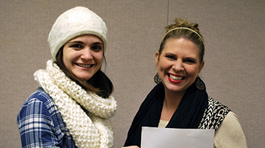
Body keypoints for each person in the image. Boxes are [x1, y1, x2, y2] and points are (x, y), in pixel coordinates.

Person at [122, 18, 247, 148]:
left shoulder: (221, 119)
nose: (177, 67)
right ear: (157, 58)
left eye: (189, 60)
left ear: (200, 67)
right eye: (171, 57)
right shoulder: (147, 109)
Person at [17, 6, 117, 148]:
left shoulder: (93, 105)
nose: (88, 56)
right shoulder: (39, 105)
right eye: (77, 46)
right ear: (60, 51)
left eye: (96, 47)